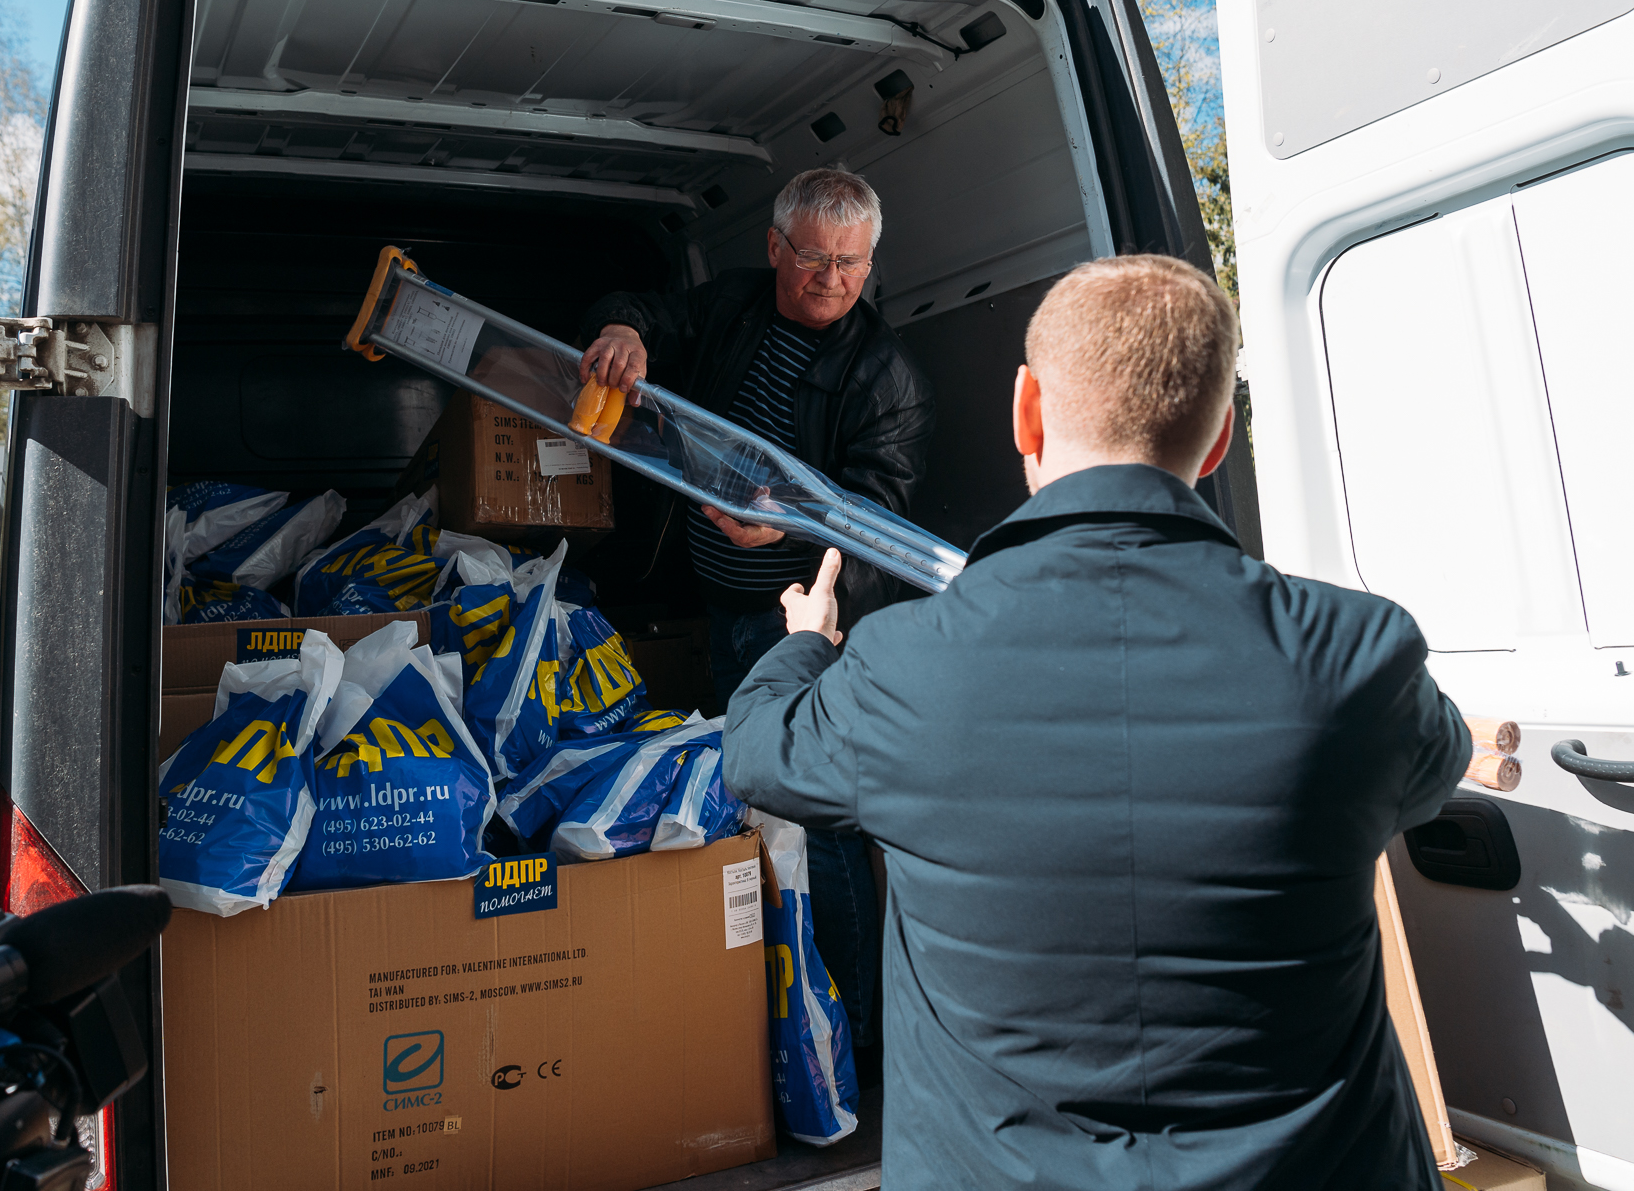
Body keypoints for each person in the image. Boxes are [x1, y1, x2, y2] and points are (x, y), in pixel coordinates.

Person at [724, 254, 1473, 1189]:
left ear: (1026, 412)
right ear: (1218, 439)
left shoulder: (902, 666)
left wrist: (806, 642)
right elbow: (1438, 761)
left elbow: (755, 750)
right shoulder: (1359, 656)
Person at [578, 166, 935, 1059]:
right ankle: (778, 1018)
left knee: (821, 825)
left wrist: (783, 530)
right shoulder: (734, 305)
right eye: (813, 257)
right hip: (718, 610)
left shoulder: (886, 378)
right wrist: (622, 330)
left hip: (804, 631)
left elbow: (882, 535)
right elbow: (650, 311)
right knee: (744, 812)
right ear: (775, 246)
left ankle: (854, 1042)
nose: (832, 279)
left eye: (852, 262)